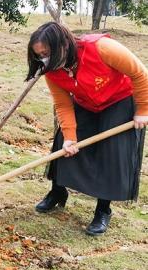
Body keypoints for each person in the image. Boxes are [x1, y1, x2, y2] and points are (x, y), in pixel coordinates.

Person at [25, 22, 148, 236]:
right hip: (86, 104)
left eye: (46, 53)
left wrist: (143, 110)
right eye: (39, 56)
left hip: (119, 100)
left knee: (111, 151)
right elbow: (63, 104)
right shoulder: (53, 71)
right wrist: (70, 138)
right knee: (62, 143)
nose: (43, 59)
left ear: (62, 44)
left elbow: (140, 74)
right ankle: (57, 193)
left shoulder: (102, 48)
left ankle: (103, 210)